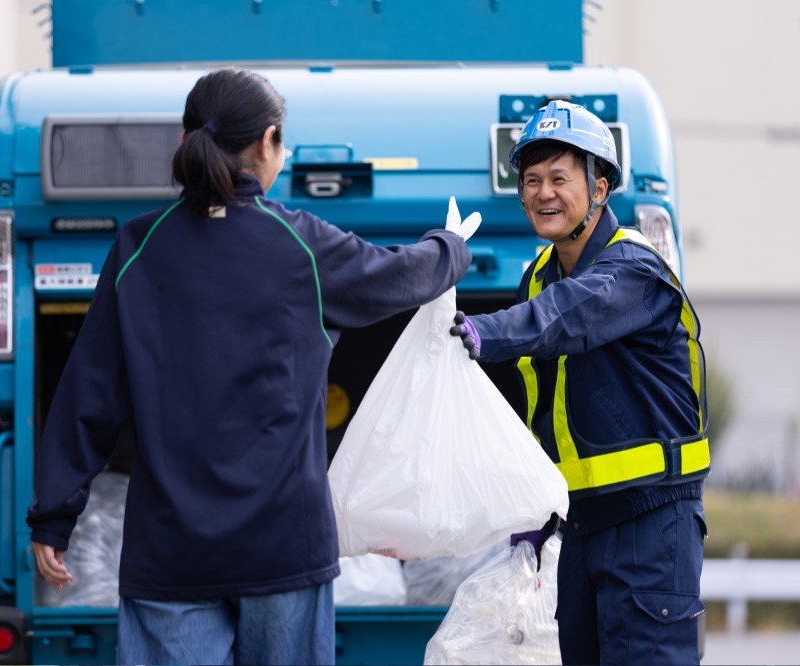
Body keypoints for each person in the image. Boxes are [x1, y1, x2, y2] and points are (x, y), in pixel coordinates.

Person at [27, 66, 480, 666]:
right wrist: (450, 246)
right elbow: (400, 276)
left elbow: (89, 391)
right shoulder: (299, 244)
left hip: (171, 551)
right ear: (267, 142)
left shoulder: (138, 248)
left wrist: (54, 517)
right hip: (283, 547)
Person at [450, 100, 710, 665]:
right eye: (532, 180)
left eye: (560, 179)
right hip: (580, 529)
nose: (544, 193)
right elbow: (537, 403)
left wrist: (476, 331)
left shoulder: (634, 270)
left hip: (651, 526)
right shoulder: (539, 276)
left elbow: (566, 317)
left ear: (599, 188)